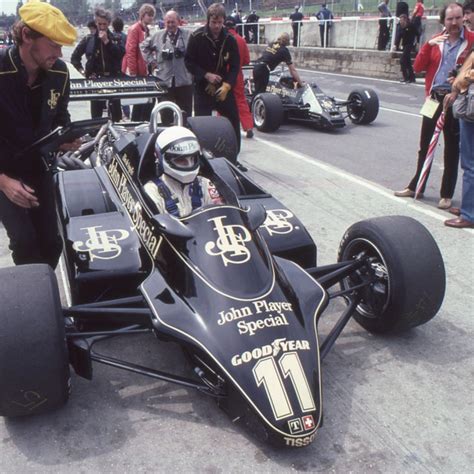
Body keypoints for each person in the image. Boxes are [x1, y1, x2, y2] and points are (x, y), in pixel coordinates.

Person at [0, 1, 78, 268]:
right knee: (24, 243)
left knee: (52, 244)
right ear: (26, 36)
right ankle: (32, 302)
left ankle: (43, 296)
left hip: (40, 167)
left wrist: (68, 138)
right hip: (4, 171)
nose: (60, 52)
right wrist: (3, 181)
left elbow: (60, 118)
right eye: (53, 44)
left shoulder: (60, 72)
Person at [394, 3, 474, 209]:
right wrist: (429, 45)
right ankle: (416, 187)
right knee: (425, 145)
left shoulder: (471, 41)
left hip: (456, 99)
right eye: (450, 19)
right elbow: (418, 67)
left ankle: (446, 193)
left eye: (458, 18)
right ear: (443, 21)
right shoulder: (435, 41)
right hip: (433, 98)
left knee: (451, 148)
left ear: (463, 18)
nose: (454, 23)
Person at [185, 3, 243, 167]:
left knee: (233, 121)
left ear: (223, 21)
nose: (216, 26)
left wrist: (227, 85)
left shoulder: (229, 39)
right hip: (203, 88)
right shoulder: (197, 37)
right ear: (208, 21)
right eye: (213, 23)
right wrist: (205, 75)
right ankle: (201, 160)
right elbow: (188, 62)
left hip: (223, 87)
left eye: (219, 23)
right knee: (202, 125)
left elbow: (235, 66)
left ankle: (234, 159)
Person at [144, 126, 223, 217]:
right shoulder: (152, 191)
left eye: (192, 158)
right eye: (181, 160)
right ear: (161, 158)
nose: (189, 164)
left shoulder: (205, 184)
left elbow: (219, 216)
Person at [71, 8, 125, 122]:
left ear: (109, 24)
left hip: (113, 78)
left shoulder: (116, 37)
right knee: (96, 115)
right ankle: (96, 133)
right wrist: (83, 72)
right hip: (95, 80)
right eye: (99, 24)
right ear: (96, 23)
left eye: (104, 24)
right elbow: (74, 58)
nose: (101, 26)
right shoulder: (88, 39)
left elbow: (121, 54)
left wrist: (107, 42)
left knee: (116, 114)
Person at [141, 10, 193, 125]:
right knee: (165, 115)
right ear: (164, 22)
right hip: (164, 81)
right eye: (168, 22)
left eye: (173, 22)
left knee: (185, 115)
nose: (170, 25)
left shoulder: (188, 35)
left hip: (184, 80)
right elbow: (143, 46)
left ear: (178, 22)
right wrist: (151, 61)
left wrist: (191, 64)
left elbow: (197, 50)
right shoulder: (158, 35)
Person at [443, 48, 474, 228]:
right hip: (468, 103)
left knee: (469, 164)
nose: (467, 18)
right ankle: (468, 206)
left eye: (468, 16)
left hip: (470, 108)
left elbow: (467, 74)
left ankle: (469, 214)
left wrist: (460, 81)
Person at [122, 3, 156, 121]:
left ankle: (144, 123)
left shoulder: (146, 29)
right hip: (137, 72)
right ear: (142, 15)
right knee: (140, 102)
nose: (151, 18)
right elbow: (130, 51)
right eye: (149, 15)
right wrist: (133, 73)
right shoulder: (134, 29)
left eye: (152, 15)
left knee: (147, 101)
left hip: (145, 72)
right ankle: (136, 124)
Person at [225, 18, 254, 138]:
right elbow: (247, 60)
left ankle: (223, 127)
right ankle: (248, 127)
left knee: (222, 101)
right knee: (241, 101)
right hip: (237, 74)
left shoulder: (222, 39)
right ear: (235, 27)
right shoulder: (241, 40)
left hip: (224, 75)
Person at [394, 14, 417, 83]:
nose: (401, 22)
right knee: (408, 62)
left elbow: (417, 33)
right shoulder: (400, 27)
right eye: (400, 20)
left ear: (405, 20)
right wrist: (396, 45)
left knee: (402, 61)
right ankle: (412, 78)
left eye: (402, 20)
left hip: (410, 45)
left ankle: (406, 77)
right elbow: (398, 37)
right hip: (404, 45)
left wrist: (417, 43)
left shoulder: (411, 26)